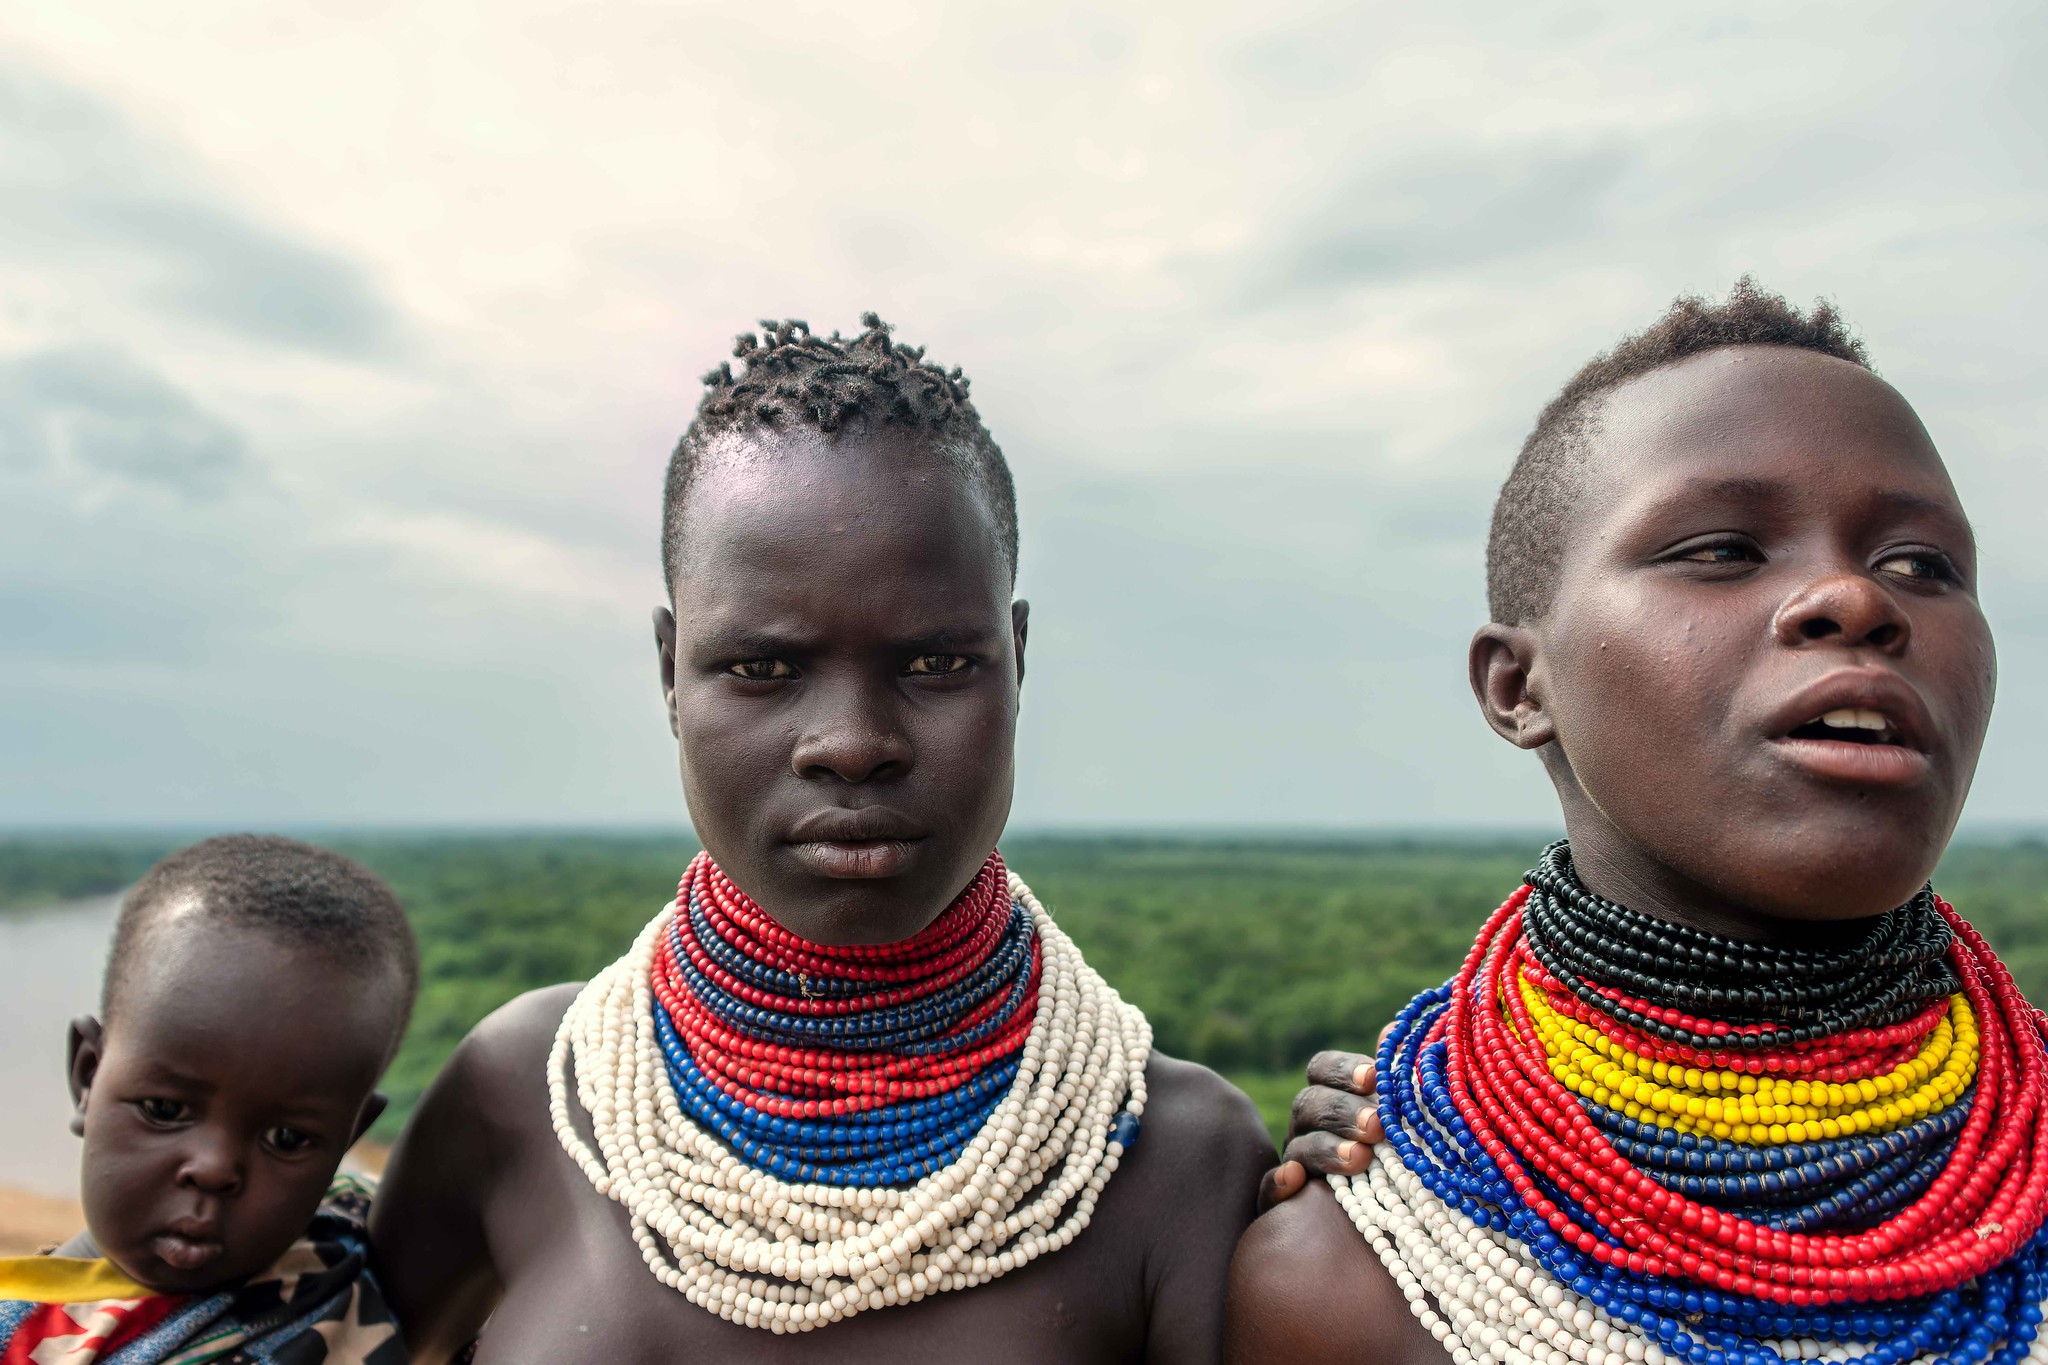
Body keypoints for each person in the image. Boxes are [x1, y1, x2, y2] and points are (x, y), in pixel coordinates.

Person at [373, 316, 1273, 1363]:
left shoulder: (1179, 1162)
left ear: (1015, 659)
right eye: (760, 668)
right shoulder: (525, 1094)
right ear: (671, 673)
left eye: (936, 665)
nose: (852, 744)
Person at [1226, 280, 2038, 1365]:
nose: (1855, 598)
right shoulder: (1351, 1285)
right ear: (1517, 686)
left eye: (1918, 566)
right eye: (1720, 550)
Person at [0, 835, 416, 1363]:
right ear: (88, 1076)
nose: (215, 1170)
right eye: (165, 1110)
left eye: (287, 1139)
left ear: (348, 1137)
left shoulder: (367, 1234)